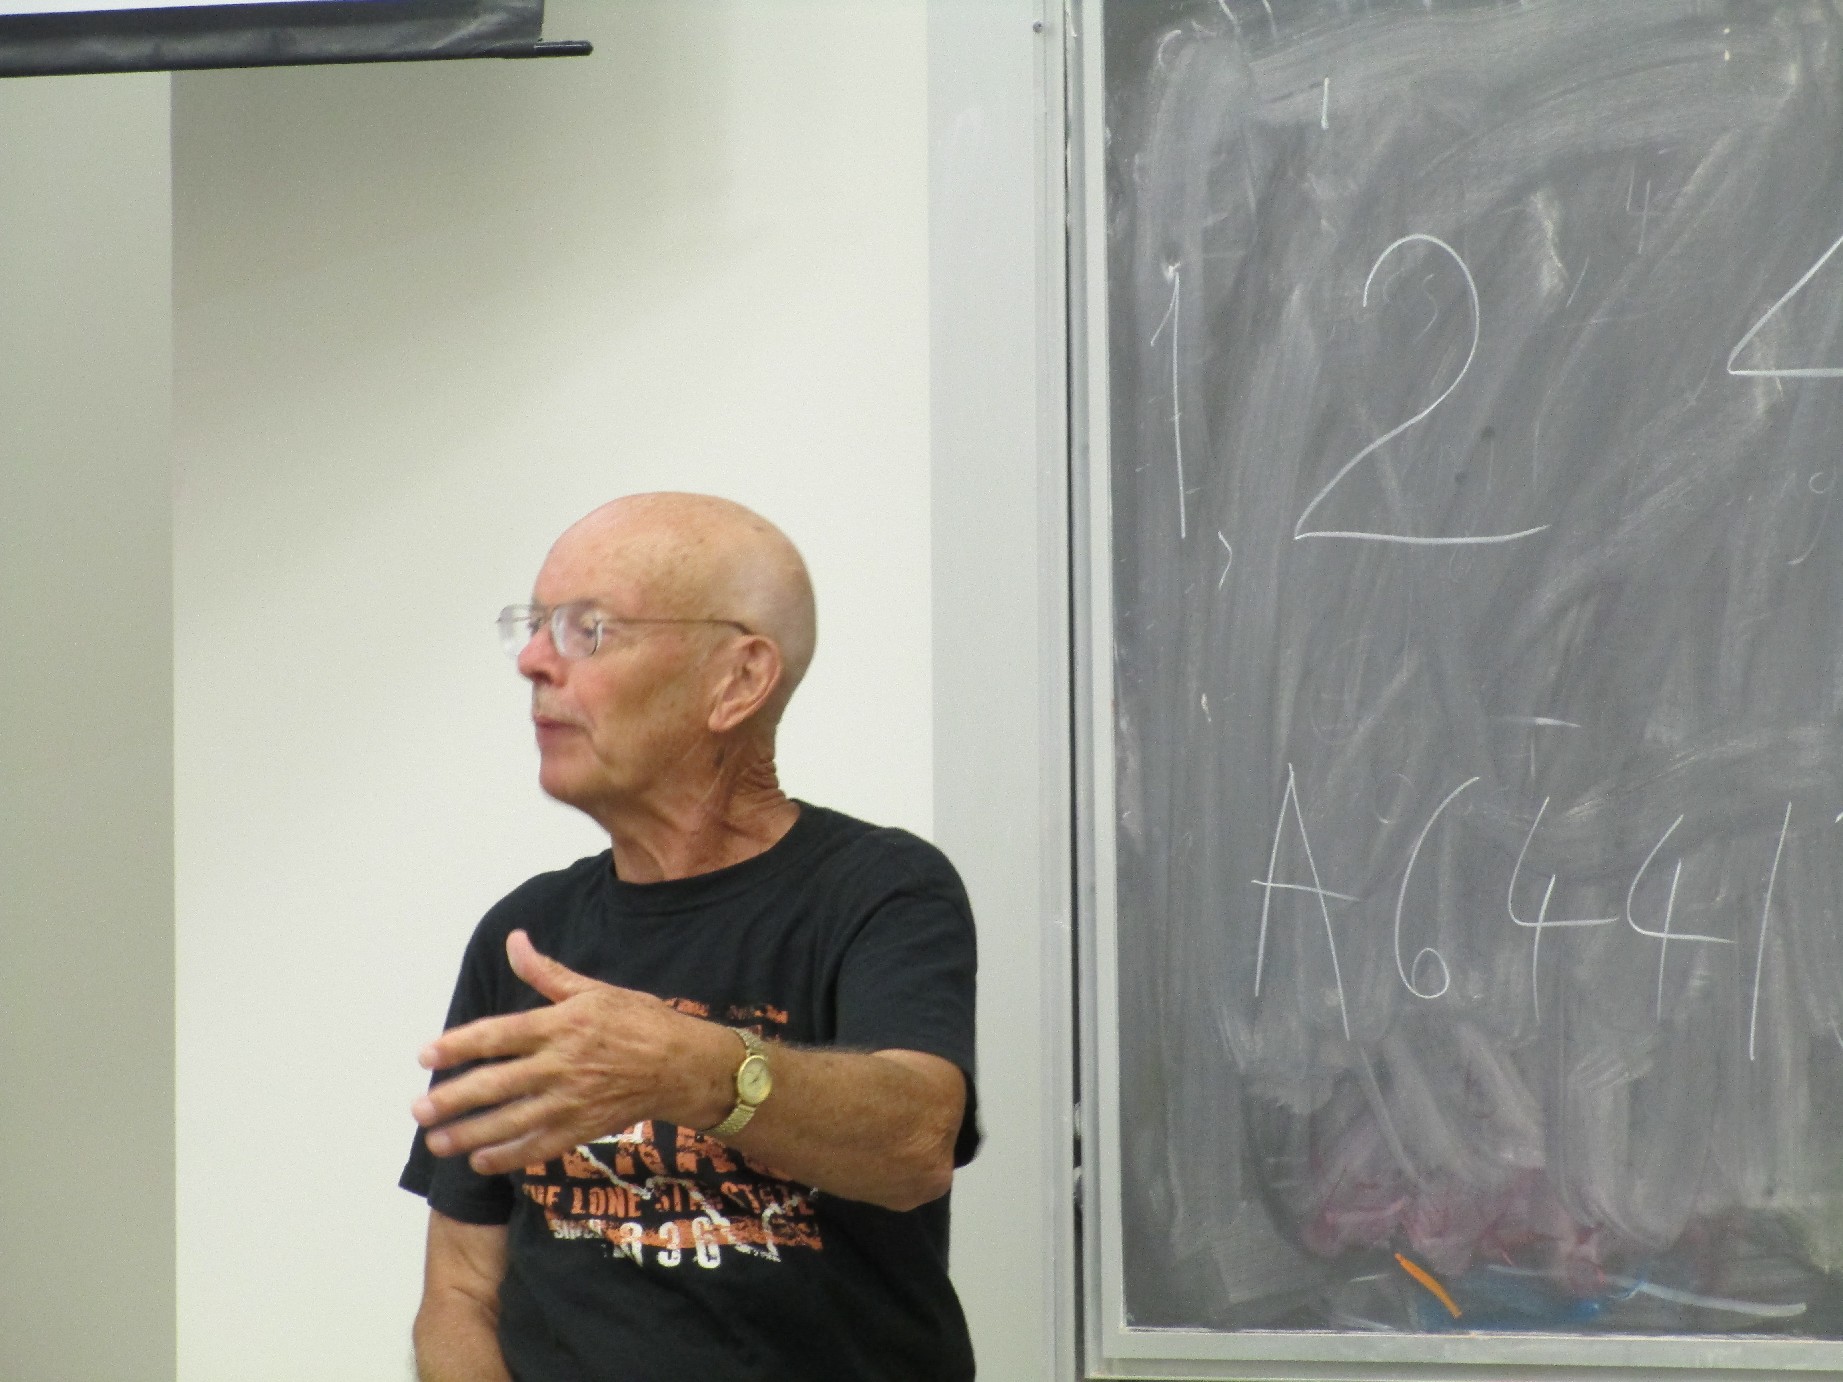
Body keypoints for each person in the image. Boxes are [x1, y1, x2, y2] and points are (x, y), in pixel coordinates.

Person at [400, 493, 980, 1382]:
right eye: (533, 625)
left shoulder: (880, 889)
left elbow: (914, 1144)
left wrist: (688, 1067)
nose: (531, 661)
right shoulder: (526, 933)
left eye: (587, 630)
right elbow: (460, 1292)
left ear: (737, 681)